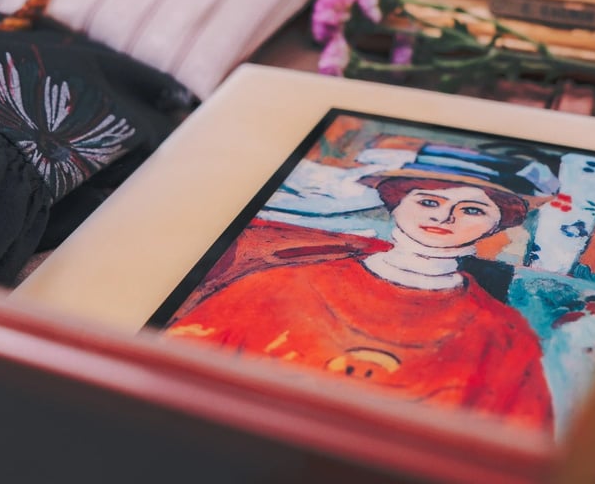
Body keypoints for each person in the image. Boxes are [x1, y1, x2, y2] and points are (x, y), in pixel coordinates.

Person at [166, 145, 554, 433]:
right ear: (395, 204)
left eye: (472, 209)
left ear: (497, 225)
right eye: (428, 201)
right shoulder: (279, 286)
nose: (444, 216)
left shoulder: (502, 334)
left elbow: (519, 444)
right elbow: (170, 376)